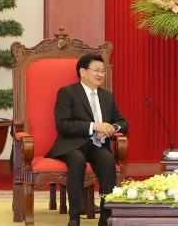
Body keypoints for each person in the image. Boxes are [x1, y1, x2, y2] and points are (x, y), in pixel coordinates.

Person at [45, 54, 129, 226]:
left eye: (103, 71)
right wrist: (94, 126)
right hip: (71, 145)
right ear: (82, 71)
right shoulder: (67, 92)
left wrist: (112, 128)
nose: (100, 74)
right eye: (96, 70)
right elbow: (62, 125)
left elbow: (123, 123)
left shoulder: (107, 97)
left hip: (96, 146)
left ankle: (106, 215)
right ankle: (74, 216)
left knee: (107, 160)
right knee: (77, 160)